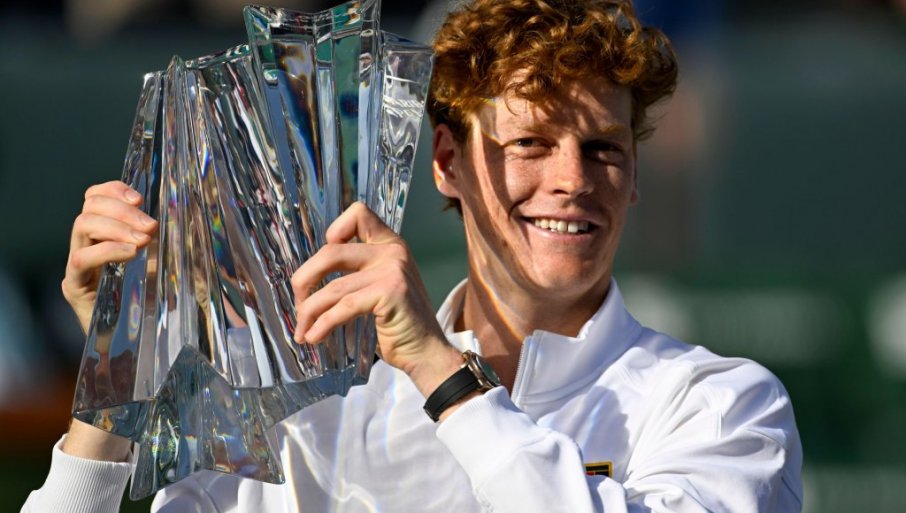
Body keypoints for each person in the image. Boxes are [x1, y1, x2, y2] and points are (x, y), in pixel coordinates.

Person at [23, 0, 803, 511]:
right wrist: (117, 374)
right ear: (447, 163)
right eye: (531, 143)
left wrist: (439, 369)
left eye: (603, 148)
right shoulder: (320, 413)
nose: (572, 179)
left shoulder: (721, 402)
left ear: (633, 178)